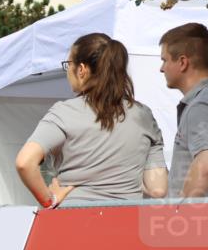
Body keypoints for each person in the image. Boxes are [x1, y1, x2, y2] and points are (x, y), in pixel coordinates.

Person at [15, 33, 168, 206]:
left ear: (81, 70)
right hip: (127, 220)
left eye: (68, 65)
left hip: (74, 219)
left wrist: (50, 199)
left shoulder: (63, 113)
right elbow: (158, 189)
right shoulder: (143, 115)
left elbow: (25, 162)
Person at [159, 22, 208, 198]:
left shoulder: (201, 105)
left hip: (194, 221)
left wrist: (179, 214)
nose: (161, 68)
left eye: (164, 60)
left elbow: (204, 166)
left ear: (182, 62)